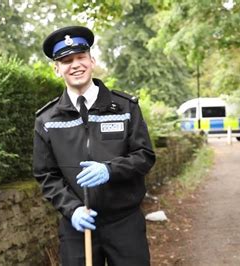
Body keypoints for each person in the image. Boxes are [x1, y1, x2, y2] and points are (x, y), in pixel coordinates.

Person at [33, 25, 155, 266]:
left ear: (92, 60)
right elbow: (46, 175)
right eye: (66, 60)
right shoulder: (47, 120)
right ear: (57, 69)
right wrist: (72, 209)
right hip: (77, 226)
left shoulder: (125, 108)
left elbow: (144, 156)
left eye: (81, 57)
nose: (75, 64)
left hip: (125, 223)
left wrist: (109, 169)